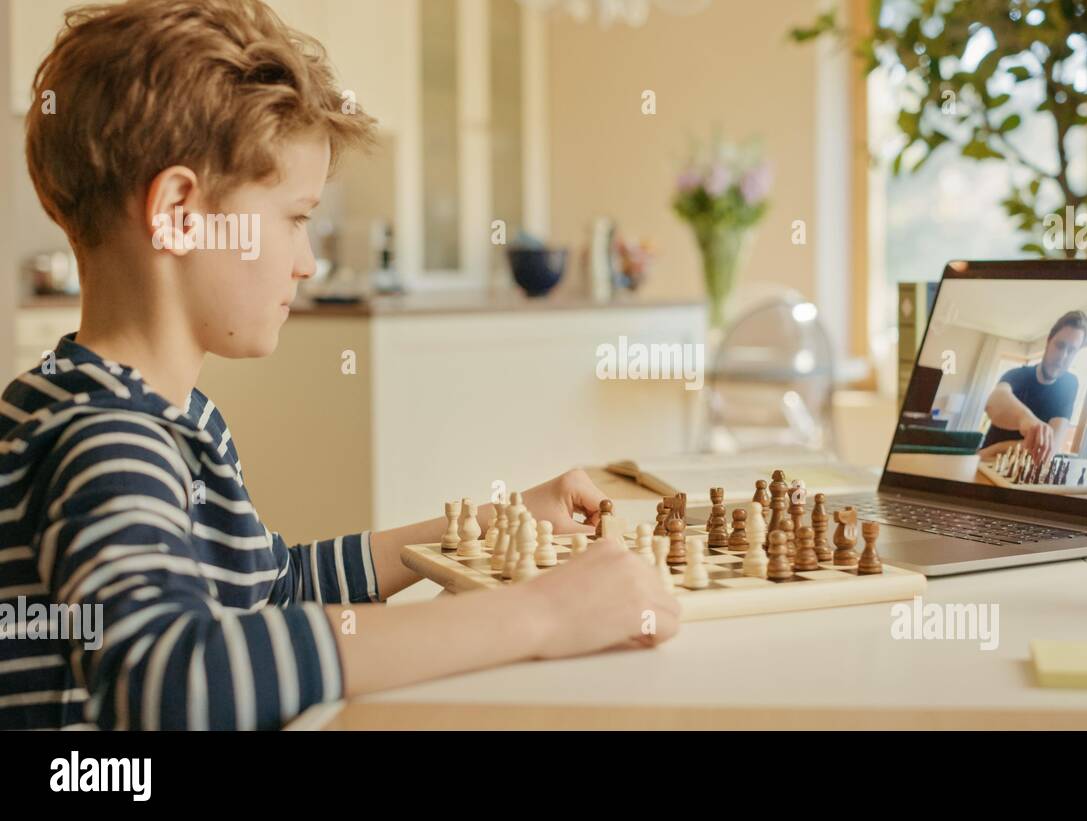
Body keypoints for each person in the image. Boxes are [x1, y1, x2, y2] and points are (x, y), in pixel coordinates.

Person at [0, 0, 678, 731]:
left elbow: (272, 589)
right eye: (295, 218)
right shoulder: (105, 439)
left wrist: (485, 526)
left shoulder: (153, 415)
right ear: (179, 213)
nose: (308, 261)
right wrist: (540, 615)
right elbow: (170, 672)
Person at [980, 310, 1087, 462]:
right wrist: (1027, 419)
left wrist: (997, 448)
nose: (1062, 356)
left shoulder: (1069, 384)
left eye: (1071, 350)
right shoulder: (1016, 374)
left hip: (1009, 462)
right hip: (988, 462)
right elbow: (994, 402)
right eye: (1059, 345)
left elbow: (1050, 448)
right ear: (1048, 341)